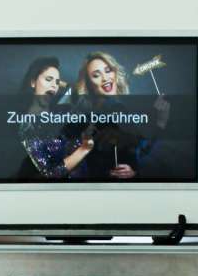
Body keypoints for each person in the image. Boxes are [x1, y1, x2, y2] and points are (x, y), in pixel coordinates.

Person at [73, 51, 171, 180]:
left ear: (115, 73)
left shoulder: (122, 110)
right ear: (88, 84)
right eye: (96, 75)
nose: (105, 78)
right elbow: (85, 166)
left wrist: (161, 120)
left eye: (108, 71)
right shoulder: (86, 118)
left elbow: (141, 151)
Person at [15, 56, 94, 180]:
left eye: (57, 82)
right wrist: (84, 149)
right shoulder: (27, 126)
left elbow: (79, 94)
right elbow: (49, 173)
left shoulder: (61, 111)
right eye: (48, 79)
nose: (54, 86)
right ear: (33, 82)